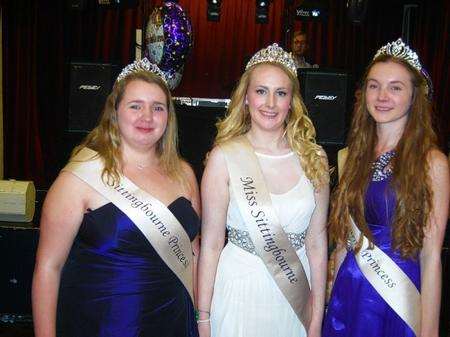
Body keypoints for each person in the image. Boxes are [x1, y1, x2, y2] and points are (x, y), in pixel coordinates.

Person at [32, 58, 200, 337]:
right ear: (115, 111)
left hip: (175, 321)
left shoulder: (184, 174)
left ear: (168, 117)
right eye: (135, 106)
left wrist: (200, 319)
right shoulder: (80, 177)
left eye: (157, 108)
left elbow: (192, 254)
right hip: (108, 323)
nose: (147, 117)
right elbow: (49, 267)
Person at [197, 43, 330, 337]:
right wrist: (203, 318)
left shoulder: (314, 158)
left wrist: (317, 318)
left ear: (292, 100)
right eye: (261, 91)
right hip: (237, 290)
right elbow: (211, 243)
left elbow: (318, 242)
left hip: (294, 295)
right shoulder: (224, 157)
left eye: (280, 93)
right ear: (245, 97)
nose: (270, 103)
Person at [323, 38, 449, 337]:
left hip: (399, 293)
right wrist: (330, 296)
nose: (382, 96)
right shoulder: (352, 155)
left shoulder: (433, 163)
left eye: (395, 87)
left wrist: (429, 330)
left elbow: (431, 257)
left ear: (414, 97)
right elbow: (343, 241)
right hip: (349, 291)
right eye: (374, 85)